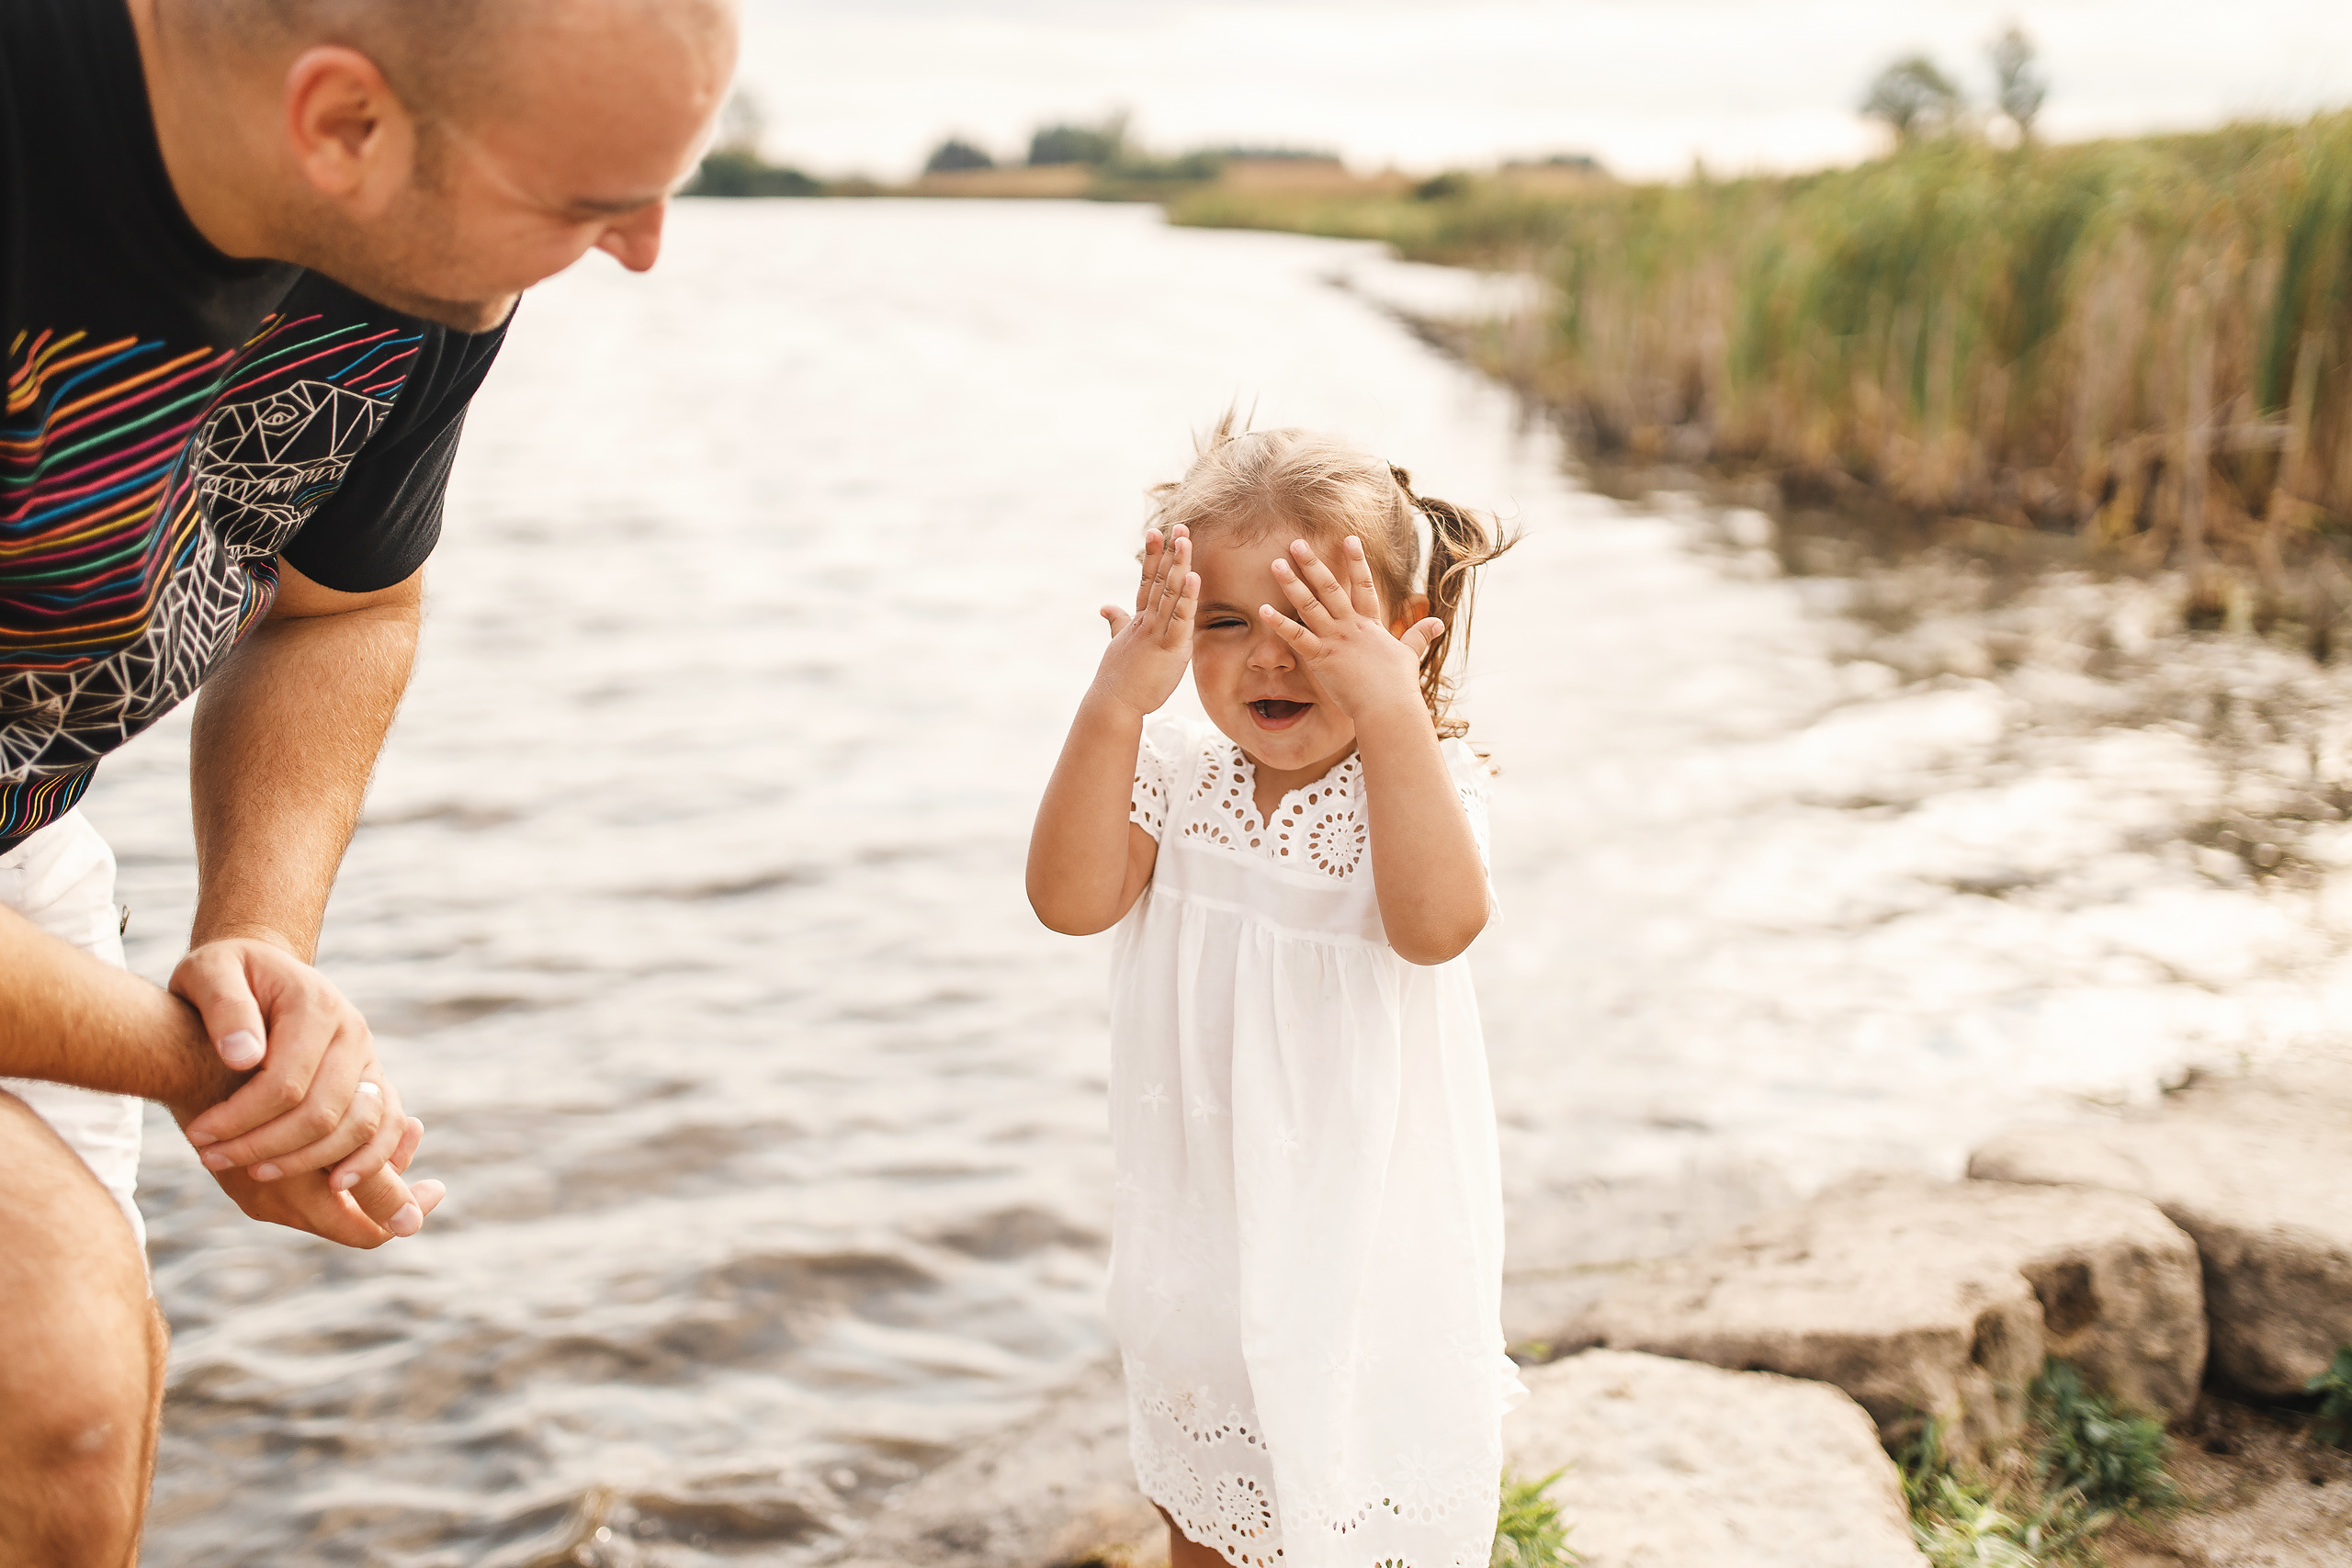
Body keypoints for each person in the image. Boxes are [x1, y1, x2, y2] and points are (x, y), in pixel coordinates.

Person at [0, 0, 735, 1558]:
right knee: (43, 1357)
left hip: (26, 855)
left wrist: (256, 945)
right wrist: (214, 1070)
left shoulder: (431, 245)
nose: (641, 249)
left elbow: (349, 604)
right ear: (343, 125)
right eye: (591, 204)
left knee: (75, 1424)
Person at [1025, 422, 1524, 1568]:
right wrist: (1115, 706)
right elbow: (1069, 899)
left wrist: (1393, 711)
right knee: (1208, 1505)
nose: (1270, 657)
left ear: (1407, 640)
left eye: (1313, 625)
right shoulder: (1176, 778)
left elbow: (1436, 926)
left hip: (1361, 1252)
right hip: (1200, 1243)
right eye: (1225, 623)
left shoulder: (1418, 784)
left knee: (1362, 1507)